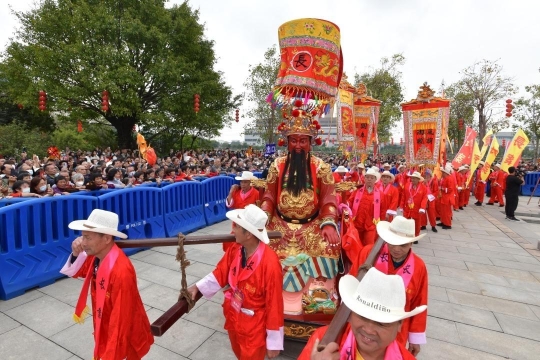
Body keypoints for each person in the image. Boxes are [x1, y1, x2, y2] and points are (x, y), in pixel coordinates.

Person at [260, 108, 340, 316]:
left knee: (329, 244)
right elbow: (268, 197)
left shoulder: (321, 167)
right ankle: (262, 291)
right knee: (258, 242)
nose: (297, 145)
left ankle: (318, 294)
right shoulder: (277, 165)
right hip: (279, 225)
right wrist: (263, 217)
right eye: (293, 140)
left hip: (311, 226)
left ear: (310, 142)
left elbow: (329, 200)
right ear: (287, 143)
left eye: (302, 140)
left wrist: (329, 222)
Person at [187, 205, 284, 360]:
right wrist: (197, 287)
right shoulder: (236, 249)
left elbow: (275, 304)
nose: (233, 230)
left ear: (248, 235)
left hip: (254, 327)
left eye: (237, 226)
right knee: (238, 353)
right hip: (234, 315)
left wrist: (274, 342)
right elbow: (220, 272)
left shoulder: (270, 263)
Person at [60, 209, 154, 359]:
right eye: (82, 237)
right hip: (105, 319)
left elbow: (121, 318)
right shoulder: (98, 255)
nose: (82, 243)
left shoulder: (121, 271)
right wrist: (76, 254)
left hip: (122, 328)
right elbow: (80, 271)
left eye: (87, 238)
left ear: (107, 238)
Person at [343, 216, 428, 357]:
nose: (396, 249)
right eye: (392, 243)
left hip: (396, 330)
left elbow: (420, 302)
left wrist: (415, 339)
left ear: (411, 244)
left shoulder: (419, 267)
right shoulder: (368, 254)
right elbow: (352, 284)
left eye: (403, 245)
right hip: (364, 325)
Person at [298, 267, 427, 360]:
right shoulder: (324, 339)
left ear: (400, 324)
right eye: (362, 316)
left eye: (381, 323)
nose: (369, 330)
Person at [346, 168, 388, 246]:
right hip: (357, 223)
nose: (369, 179)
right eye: (367, 177)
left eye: (372, 178)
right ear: (364, 179)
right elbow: (350, 202)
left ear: (375, 180)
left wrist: (381, 225)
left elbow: (382, 211)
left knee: (369, 245)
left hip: (371, 225)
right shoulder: (357, 191)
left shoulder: (381, 194)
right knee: (356, 244)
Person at [224, 171, 260, 251]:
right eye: (241, 182)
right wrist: (231, 192)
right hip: (237, 223)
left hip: (250, 224)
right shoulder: (236, 192)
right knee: (230, 243)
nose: (243, 184)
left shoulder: (256, 194)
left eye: (245, 182)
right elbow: (229, 204)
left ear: (250, 183)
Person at [401, 171, 428, 237]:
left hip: (417, 208)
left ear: (418, 179)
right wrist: (401, 206)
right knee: (406, 221)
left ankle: (416, 235)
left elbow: (425, 198)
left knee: (417, 222)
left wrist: (422, 208)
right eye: (412, 178)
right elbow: (403, 196)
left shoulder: (423, 188)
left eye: (414, 178)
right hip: (408, 207)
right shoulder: (407, 185)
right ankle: (407, 234)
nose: (412, 180)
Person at [438, 164, 456, 229]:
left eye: (443, 172)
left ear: (446, 173)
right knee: (443, 211)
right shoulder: (445, 178)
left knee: (447, 212)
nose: (442, 173)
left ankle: (448, 224)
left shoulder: (449, 179)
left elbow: (450, 189)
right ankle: (443, 221)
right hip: (444, 197)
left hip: (447, 198)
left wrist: (442, 189)